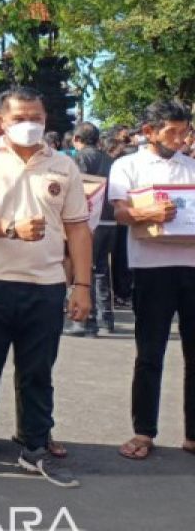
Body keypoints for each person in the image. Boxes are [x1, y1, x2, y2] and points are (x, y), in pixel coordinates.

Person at [0, 87, 92, 488]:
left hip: (46, 285)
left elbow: (78, 229)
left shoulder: (64, 164)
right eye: (20, 118)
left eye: (37, 117)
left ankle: (35, 448)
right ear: (2, 121)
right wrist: (13, 228)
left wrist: (81, 284)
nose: (30, 124)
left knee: (37, 372)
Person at [107, 100, 195, 461]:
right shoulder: (127, 165)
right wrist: (149, 212)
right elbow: (120, 211)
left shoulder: (191, 167)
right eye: (171, 131)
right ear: (149, 132)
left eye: (184, 131)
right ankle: (144, 431)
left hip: (191, 266)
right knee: (150, 353)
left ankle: (193, 434)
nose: (179, 138)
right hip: (150, 268)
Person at [69, 122, 116, 336]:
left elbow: (78, 189)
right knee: (102, 270)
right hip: (110, 220)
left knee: (84, 267)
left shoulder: (80, 159)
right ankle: (105, 320)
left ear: (76, 139)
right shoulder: (110, 160)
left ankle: (83, 321)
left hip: (89, 219)